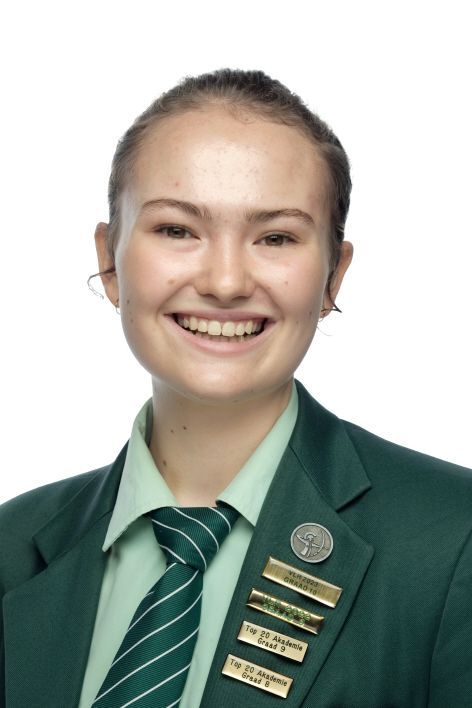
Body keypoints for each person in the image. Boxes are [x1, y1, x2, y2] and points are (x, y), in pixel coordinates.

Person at [1, 69, 471, 708]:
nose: (225, 282)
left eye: (275, 237)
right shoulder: (11, 546)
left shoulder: (453, 540)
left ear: (333, 277)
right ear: (109, 261)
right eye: (177, 230)